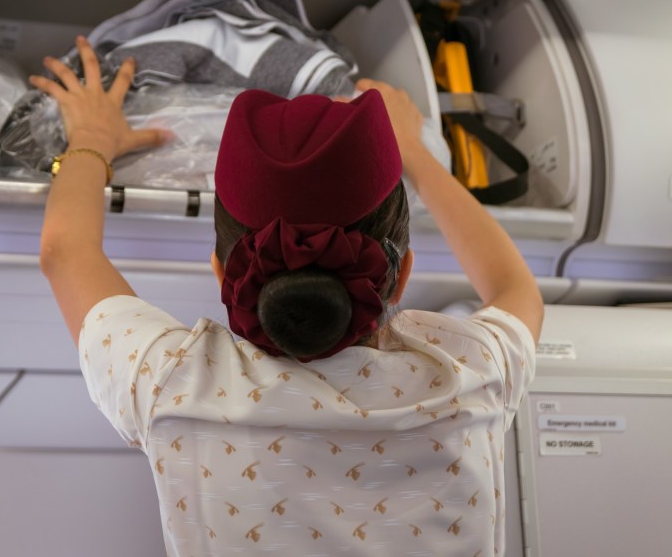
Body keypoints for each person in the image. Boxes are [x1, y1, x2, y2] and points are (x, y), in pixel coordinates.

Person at [35, 36, 543, 556]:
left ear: (220, 271)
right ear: (403, 271)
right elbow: (516, 288)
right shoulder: (473, 375)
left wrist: (93, 136)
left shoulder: (173, 385)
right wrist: (413, 150)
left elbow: (65, 252)